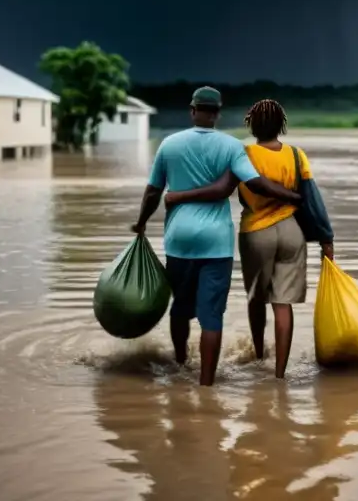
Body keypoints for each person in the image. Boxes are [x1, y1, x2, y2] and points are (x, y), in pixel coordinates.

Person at [131, 87, 300, 387]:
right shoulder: (232, 146)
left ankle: (180, 363)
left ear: (193, 110)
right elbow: (257, 184)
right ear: (217, 113)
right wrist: (293, 196)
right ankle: (206, 384)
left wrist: (141, 223)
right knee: (211, 316)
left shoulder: (169, 144)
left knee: (180, 309)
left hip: (179, 241)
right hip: (216, 244)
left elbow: (153, 192)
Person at [165, 98, 334, 379]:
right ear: (281, 125)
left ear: (252, 125)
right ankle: (280, 373)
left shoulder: (243, 153)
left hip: (256, 232)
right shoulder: (296, 155)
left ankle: (258, 357)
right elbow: (312, 199)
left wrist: (181, 199)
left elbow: (221, 189)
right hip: (292, 231)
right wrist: (326, 239)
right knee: (283, 303)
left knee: (257, 299)